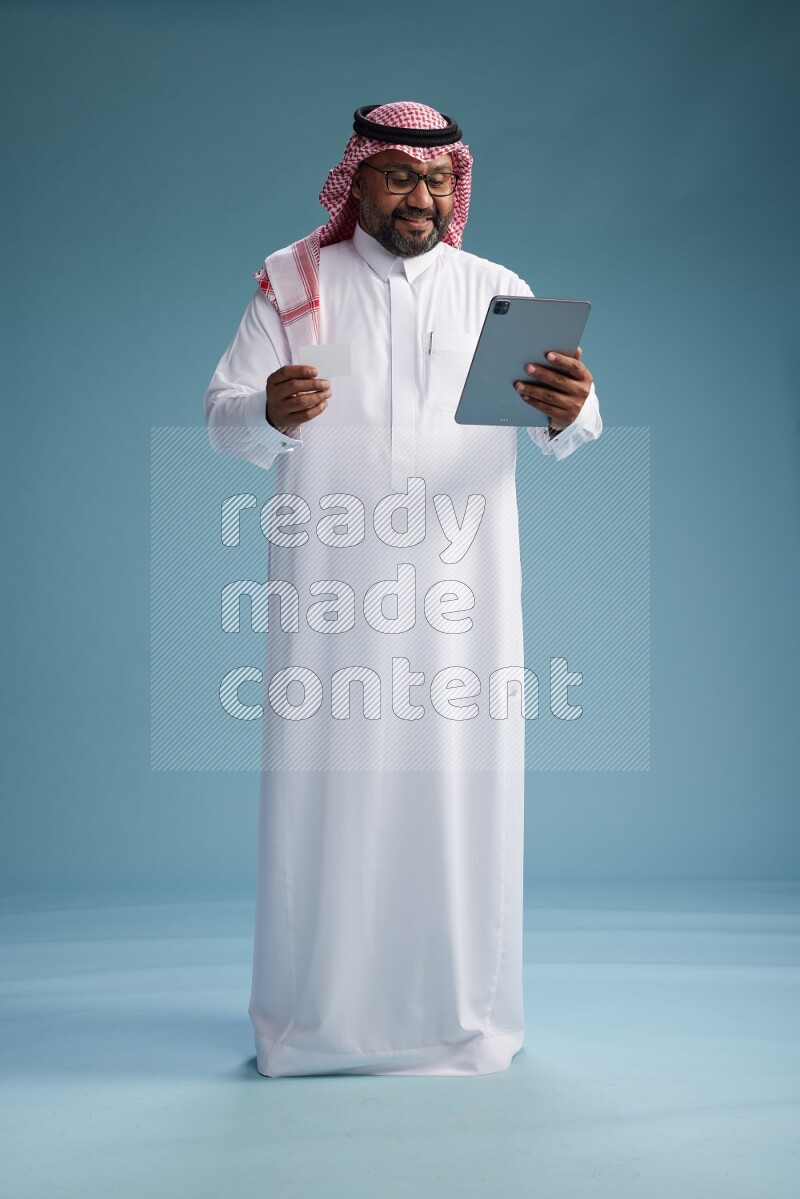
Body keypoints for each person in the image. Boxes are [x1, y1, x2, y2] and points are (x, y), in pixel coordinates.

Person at [203, 101, 602, 1078]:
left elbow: (573, 424)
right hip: (331, 596)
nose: (419, 197)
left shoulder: (494, 290)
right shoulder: (296, 283)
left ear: (454, 187)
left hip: (462, 598)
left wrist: (574, 407)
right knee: (324, 798)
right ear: (357, 183)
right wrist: (267, 408)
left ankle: (457, 1021)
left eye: (436, 181)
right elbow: (221, 417)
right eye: (396, 177)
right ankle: (312, 1023)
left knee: (458, 796)